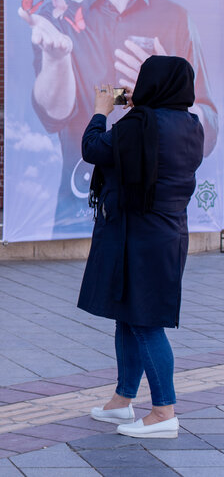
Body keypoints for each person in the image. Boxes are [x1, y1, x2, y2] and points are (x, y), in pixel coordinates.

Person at [22, 0, 217, 236]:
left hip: (157, 213)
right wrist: (57, 60)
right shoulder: (56, 16)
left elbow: (207, 130)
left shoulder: (177, 18)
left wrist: (167, 88)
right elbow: (53, 116)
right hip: (83, 209)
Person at [79, 56, 204, 440]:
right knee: (128, 316)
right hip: (167, 235)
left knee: (146, 323)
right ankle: (123, 399)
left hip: (138, 235)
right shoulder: (191, 125)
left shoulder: (140, 125)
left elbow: (93, 148)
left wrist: (101, 111)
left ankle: (164, 411)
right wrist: (142, 108)